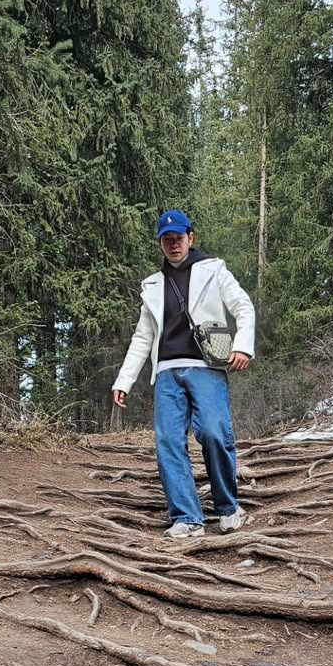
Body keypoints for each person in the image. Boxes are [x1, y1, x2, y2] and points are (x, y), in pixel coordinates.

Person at [112, 209, 255, 540]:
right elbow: (142, 338)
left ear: (191, 238)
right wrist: (124, 381)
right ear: (160, 243)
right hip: (166, 373)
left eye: (179, 238)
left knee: (215, 433)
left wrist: (244, 346)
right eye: (167, 239)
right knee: (168, 442)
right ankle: (187, 518)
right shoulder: (153, 286)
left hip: (206, 368)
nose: (173, 244)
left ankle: (228, 507)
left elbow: (243, 307)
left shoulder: (214, 270)